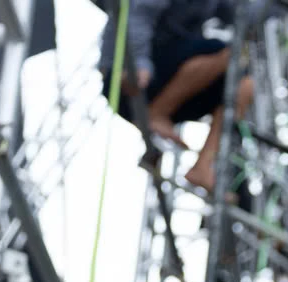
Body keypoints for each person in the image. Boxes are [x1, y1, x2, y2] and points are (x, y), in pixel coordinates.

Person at [101, 0, 251, 193]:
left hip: (167, 83)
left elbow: (244, 13)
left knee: (244, 84)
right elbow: (139, 16)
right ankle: (156, 114)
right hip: (127, 76)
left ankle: (203, 166)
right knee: (227, 54)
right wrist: (139, 62)